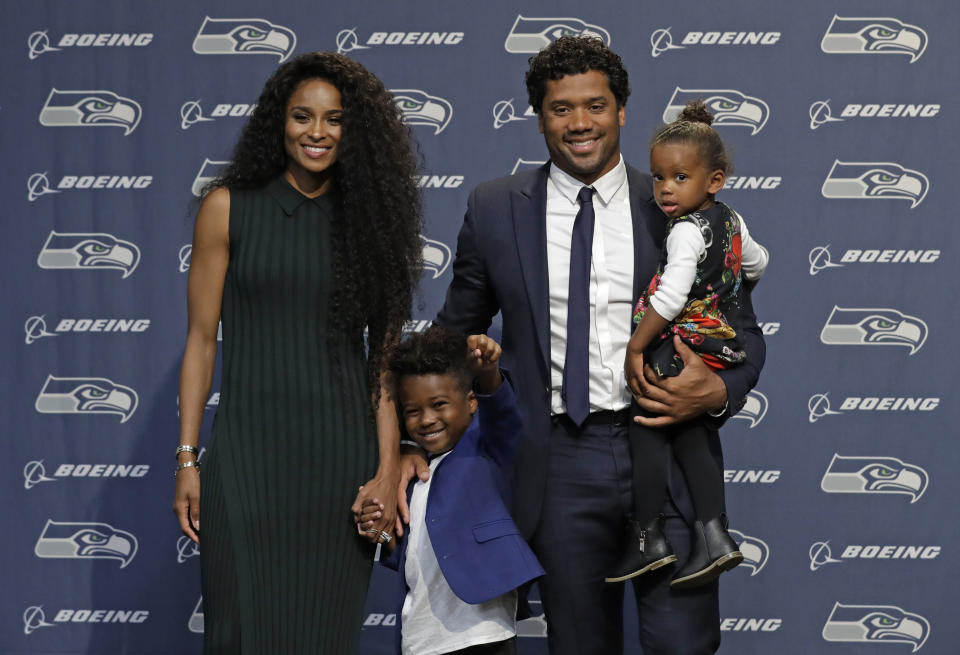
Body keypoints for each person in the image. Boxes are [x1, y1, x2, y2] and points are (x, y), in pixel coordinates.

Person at [428, 36, 765, 654]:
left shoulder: (674, 200)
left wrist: (716, 390)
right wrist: (400, 439)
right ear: (539, 117)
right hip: (557, 463)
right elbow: (451, 336)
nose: (580, 123)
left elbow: (742, 330)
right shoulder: (496, 208)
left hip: (665, 451)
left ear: (622, 111)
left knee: (682, 644)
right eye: (561, 108)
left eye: (596, 105)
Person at [172, 52, 422, 654]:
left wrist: (387, 472)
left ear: (352, 129)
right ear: (277, 123)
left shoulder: (371, 222)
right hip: (245, 459)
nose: (317, 132)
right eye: (302, 117)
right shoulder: (228, 207)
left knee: (323, 636)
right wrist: (187, 457)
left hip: (340, 462)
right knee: (239, 634)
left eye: (333, 119)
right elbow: (201, 340)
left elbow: (383, 363)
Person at [605, 100, 769, 588]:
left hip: (680, 343)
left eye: (679, 178)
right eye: (658, 178)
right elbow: (758, 262)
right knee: (694, 433)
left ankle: (649, 538)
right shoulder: (731, 220)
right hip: (720, 341)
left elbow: (672, 294)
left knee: (647, 423)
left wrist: (637, 347)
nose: (664, 190)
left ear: (713, 180)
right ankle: (715, 535)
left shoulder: (684, 232)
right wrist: (726, 289)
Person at [359, 326, 544, 655]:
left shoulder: (487, 450)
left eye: (439, 404)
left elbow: (503, 415)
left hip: (482, 634)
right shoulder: (411, 475)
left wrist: (487, 373)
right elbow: (402, 550)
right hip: (419, 638)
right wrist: (378, 529)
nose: (427, 419)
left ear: (471, 402)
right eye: (413, 411)